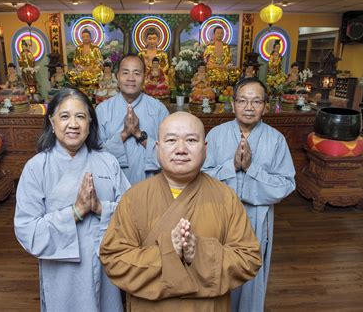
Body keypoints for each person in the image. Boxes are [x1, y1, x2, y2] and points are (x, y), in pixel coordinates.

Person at [100, 112, 262, 311]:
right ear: (157, 148)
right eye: (171, 140)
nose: (181, 149)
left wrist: (199, 253)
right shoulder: (134, 198)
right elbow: (114, 259)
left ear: (205, 149)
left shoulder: (225, 197)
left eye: (191, 140)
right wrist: (169, 253)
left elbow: (249, 259)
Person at [14, 88, 130, 312]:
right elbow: (27, 230)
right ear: (52, 121)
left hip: (105, 267)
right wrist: (75, 212)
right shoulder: (37, 167)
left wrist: (100, 208)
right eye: (64, 116)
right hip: (62, 273)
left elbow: (132, 213)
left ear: (90, 122)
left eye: (80, 116)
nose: (73, 124)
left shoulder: (108, 162)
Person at [202, 77, 296, 312]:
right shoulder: (215, 135)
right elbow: (200, 177)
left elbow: (286, 184)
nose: (249, 107)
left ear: (265, 105)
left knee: (251, 274)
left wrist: (252, 168)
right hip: (220, 216)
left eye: (256, 101)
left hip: (257, 217)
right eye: (243, 101)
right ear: (232, 104)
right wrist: (231, 167)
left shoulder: (276, 140)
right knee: (217, 269)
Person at [95, 54, 169, 185]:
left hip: (152, 186)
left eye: (136, 73)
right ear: (117, 76)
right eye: (125, 73)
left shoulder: (159, 110)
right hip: (113, 187)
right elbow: (95, 156)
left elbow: (169, 154)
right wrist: (124, 134)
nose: (131, 78)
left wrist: (138, 134)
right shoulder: (102, 110)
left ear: (145, 78)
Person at [70, 29, 104, 93]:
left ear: (90, 37)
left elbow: (100, 61)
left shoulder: (95, 48)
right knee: (71, 74)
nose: (85, 38)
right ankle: (80, 90)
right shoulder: (78, 48)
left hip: (93, 70)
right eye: (84, 37)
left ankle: (93, 90)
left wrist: (92, 66)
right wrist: (80, 67)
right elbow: (75, 60)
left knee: (99, 74)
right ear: (81, 38)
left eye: (87, 36)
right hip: (81, 70)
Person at [203, 26, 232, 93]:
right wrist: (215, 65)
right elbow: (205, 60)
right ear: (214, 34)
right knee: (209, 72)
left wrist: (224, 65)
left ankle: (223, 93)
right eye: (218, 33)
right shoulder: (209, 46)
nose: (220, 35)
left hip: (223, 68)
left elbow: (229, 59)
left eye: (221, 33)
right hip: (212, 68)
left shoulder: (226, 46)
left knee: (233, 73)